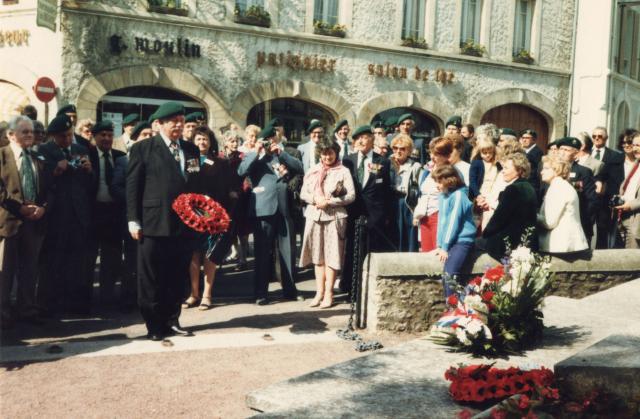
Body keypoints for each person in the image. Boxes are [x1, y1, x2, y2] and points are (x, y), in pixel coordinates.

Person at [127, 101, 200, 340]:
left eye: (181, 121)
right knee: (151, 277)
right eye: (173, 122)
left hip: (184, 224)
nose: (178, 125)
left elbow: (195, 184)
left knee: (177, 275)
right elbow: (133, 187)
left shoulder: (191, 150)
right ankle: (154, 325)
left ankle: (172, 319)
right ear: (159, 124)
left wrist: (200, 215)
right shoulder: (144, 148)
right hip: (153, 223)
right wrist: (133, 220)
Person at [238, 124, 304, 305]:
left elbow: (299, 168)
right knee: (262, 253)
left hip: (284, 209)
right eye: (266, 141)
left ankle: (290, 290)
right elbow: (241, 171)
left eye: (272, 140)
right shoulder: (255, 158)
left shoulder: (281, 156)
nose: (269, 144)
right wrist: (256, 151)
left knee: (288, 252)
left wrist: (280, 153)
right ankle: (260, 293)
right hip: (263, 209)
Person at [38, 114, 94, 316]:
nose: (68, 140)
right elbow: (41, 183)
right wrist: (55, 171)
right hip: (56, 216)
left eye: (70, 135)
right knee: (54, 260)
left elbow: (88, 187)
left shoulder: (81, 149)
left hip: (78, 215)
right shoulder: (45, 151)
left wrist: (89, 171)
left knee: (77, 262)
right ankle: (50, 304)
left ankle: (74, 303)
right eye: (63, 136)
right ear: (54, 136)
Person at [0, 116, 51, 326]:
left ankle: (27, 310)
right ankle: (2, 313)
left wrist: (43, 208)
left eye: (32, 132)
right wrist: (19, 207)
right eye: (25, 132)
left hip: (33, 223)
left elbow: (49, 189)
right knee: (5, 271)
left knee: (29, 269)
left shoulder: (37, 158)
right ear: (11, 135)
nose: (31, 135)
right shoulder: (1, 156)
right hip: (8, 222)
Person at [183, 126, 235, 310]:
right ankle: (193, 294)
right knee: (193, 255)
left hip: (213, 215)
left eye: (205, 139)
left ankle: (207, 294)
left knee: (210, 255)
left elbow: (227, 189)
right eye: (198, 139)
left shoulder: (221, 163)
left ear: (210, 142)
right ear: (192, 142)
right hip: (192, 214)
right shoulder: (188, 161)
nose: (201, 142)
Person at [299, 138, 355, 308]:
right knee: (318, 257)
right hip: (315, 216)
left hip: (335, 218)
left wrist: (330, 201)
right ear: (320, 154)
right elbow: (303, 193)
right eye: (324, 153)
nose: (327, 156)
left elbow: (351, 196)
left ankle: (329, 294)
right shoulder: (313, 170)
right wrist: (315, 199)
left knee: (332, 256)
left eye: (330, 152)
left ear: (336, 152)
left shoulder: (343, 171)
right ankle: (319, 292)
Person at [341, 125, 392, 294]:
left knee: (370, 249)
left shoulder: (382, 161)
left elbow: (385, 191)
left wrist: (384, 215)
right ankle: (349, 287)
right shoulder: (348, 160)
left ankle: (368, 288)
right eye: (358, 138)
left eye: (365, 137)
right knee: (351, 250)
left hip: (374, 214)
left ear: (372, 139)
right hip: (353, 211)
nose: (362, 141)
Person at [87, 121, 128, 306]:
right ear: (94, 137)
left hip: (114, 213)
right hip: (93, 212)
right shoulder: (87, 156)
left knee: (111, 259)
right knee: (89, 258)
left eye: (110, 135)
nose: (106, 138)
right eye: (102, 135)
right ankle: (86, 299)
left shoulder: (120, 157)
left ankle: (107, 298)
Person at [481, 152, 538, 260]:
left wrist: (485, 234)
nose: (503, 171)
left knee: (474, 243)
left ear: (519, 170)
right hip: (525, 241)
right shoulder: (528, 186)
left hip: (510, 243)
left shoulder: (513, 189)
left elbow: (498, 219)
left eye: (506, 168)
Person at [431, 165, 476, 297]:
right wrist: (439, 246)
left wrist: (445, 247)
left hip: (462, 242)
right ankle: (452, 307)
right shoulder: (443, 196)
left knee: (451, 275)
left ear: (448, 181)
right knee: (446, 276)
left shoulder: (458, 196)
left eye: (439, 182)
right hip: (450, 242)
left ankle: (455, 307)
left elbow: (453, 223)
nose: (437, 185)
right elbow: (441, 222)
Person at [537, 155, 588, 254]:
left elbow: (549, 222)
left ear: (557, 170)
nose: (541, 172)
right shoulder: (561, 185)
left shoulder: (558, 188)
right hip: (564, 244)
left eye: (546, 168)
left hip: (560, 245)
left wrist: (532, 215)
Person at [413, 137, 454, 252]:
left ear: (446, 155)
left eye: (436, 154)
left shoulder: (450, 172)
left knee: (437, 253)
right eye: (431, 152)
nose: (432, 157)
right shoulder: (429, 169)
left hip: (439, 216)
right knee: (426, 254)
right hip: (425, 217)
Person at [556, 137, 598, 246]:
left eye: (567, 150)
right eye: (561, 149)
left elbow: (591, 201)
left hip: (576, 222)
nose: (562, 153)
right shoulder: (549, 170)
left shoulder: (584, 172)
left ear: (575, 154)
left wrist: (584, 224)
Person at [220, 129, 250, 271]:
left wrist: (239, 191)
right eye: (232, 141)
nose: (235, 143)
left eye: (236, 141)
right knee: (228, 229)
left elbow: (246, 178)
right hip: (224, 198)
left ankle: (243, 258)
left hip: (240, 197)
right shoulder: (219, 157)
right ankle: (232, 252)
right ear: (225, 143)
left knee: (242, 230)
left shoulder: (242, 157)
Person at [591, 126, 625, 249]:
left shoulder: (614, 156)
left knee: (603, 229)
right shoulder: (586, 153)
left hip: (604, 199)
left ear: (606, 138)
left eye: (600, 136)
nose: (596, 138)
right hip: (588, 198)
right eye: (594, 136)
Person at [389, 134, 422, 252]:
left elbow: (418, 188)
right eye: (395, 148)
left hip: (407, 202)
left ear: (409, 151)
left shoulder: (415, 166)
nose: (398, 151)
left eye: (402, 149)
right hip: (391, 201)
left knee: (409, 233)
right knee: (393, 232)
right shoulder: (388, 163)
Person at [614, 132, 640, 248]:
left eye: (639, 145)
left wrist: (630, 205)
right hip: (624, 216)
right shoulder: (636, 163)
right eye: (634, 145)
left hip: (636, 218)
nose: (635, 148)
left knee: (633, 259)